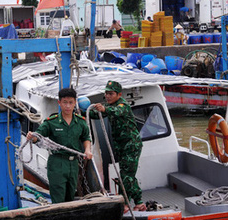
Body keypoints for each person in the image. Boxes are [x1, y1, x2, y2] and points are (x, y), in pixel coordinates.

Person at [27, 88, 92, 204]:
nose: (68, 106)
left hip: (73, 164)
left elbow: (86, 138)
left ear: (75, 103)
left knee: (70, 197)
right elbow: (38, 136)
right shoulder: (51, 122)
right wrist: (33, 137)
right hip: (57, 163)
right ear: (59, 103)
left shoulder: (80, 122)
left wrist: (87, 150)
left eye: (71, 103)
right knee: (58, 199)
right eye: (65, 102)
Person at [91, 80, 145, 212]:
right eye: (106, 94)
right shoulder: (110, 106)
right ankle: (139, 202)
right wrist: (81, 112)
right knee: (128, 175)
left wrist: (104, 109)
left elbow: (116, 111)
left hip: (131, 145)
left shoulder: (122, 106)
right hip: (121, 146)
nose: (108, 96)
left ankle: (125, 204)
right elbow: (96, 115)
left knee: (126, 176)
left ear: (119, 94)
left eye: (111, 93)